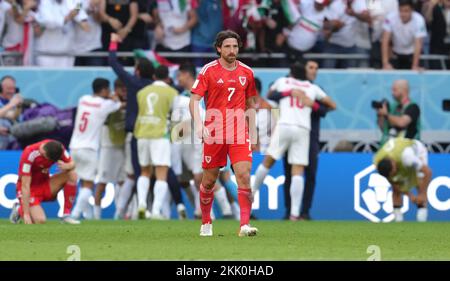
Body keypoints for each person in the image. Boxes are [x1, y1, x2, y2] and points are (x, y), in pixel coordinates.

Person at [190, 30, 258, 237]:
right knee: (209, 180)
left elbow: (250, 104)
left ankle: (244, 225)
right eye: (227, 46)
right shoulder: (208, 70)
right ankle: (206, 222)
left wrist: (253, 132)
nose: (232, 50)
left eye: (235, 46)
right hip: (214, 132)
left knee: (244, 176)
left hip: (238, 130)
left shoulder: (247, 72)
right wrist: (200, 126)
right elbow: (193, 101)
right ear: (219, 48)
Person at [252, 62, 336, 221]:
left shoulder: (284, 82)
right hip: (303, 129)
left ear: (290, 72)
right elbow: (333, 105)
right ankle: (294, 214)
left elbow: (270, 94)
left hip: (284, 125)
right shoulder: (312, 88)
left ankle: (251, 193)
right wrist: (313, 104)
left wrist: (288, 93)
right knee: (298, 170)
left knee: (268, 162)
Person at [69, 78, 122, 220]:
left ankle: (88, 215)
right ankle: (74, 214)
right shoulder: (105, 105)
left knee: (80, 181)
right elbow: (119, 103)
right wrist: (113, 96)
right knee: (88, 183)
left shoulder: (83, 99)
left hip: (74, 147)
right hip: (89, 149)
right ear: (104, 90)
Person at [135, 65, 178, 220]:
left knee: (144, 171)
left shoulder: (142, 92)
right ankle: (155, 211)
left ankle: (141, 204)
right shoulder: (172, 93)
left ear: (153, 76)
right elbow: (175, 115)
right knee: (161, 173)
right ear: (167, 78)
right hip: (160, 134)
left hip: (142, 133)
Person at [9, 139, 79, 224]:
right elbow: (25, 185)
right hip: (30, 189)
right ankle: (19, 209)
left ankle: (66, 215)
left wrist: (67, 166)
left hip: (45, 184)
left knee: (72, 174)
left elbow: (73, 164)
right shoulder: (29, 153)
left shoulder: (59, 148)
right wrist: (26, 214)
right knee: (40, 220)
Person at [374, 137, 432, 222]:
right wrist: (410, 196)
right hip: (399, 156)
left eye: (394, 172)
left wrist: (422, 194)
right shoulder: (377, 160)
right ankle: (398, 217)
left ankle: (422, 215)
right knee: (395, 186)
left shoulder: (408, 158)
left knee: (420, 182)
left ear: (393, 163)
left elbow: (428, 172)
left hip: (417, 152)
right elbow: (393, 182)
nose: (394, 174)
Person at [94, 78, 128, 220]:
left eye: (127, 90)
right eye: (123, 90)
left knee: (122, 181)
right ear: (117, 89)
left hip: (122, 146)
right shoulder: (108, 102)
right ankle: (95, 216)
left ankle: (119, 213)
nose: (125, 93)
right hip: (108, 146)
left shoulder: (125, 101)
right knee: (103, 181)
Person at [381, 0, 427, 70]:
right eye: (401, 11)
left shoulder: (419, 20)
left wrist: (415, 65)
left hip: (412, 54)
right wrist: (385, 63)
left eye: (406, 11)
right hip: (396, 53)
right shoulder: (390, 18)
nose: (403, 14)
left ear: (412, 10)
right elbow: (385, 40)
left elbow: (418, 44)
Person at [375, 79, 420, 146]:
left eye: (394, 90)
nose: (392, 93)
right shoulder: (393, 107)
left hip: (407, 149)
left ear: (404, 90)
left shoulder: (413, 107)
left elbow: (402, 123)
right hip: (390, 149)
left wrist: (386, 115)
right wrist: (380, 116)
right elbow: (384, 130)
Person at [0, 75, 23, 150]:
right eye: (9, 89)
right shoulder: (11, 103)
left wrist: (18, 106)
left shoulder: (12, 102)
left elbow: (13, 116)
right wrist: (11, 104)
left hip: (10, 141)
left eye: (13, 89)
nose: (12, 91)